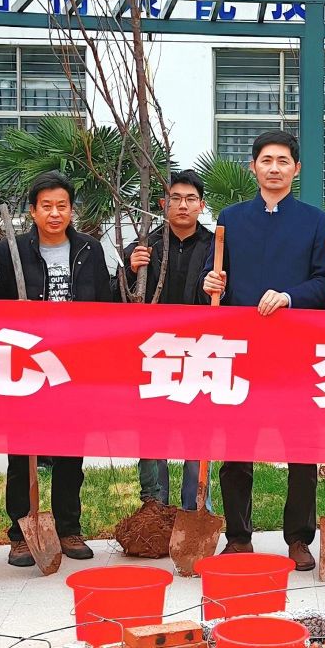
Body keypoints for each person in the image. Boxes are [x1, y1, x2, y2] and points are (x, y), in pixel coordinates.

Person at [201, 129, 325, 571]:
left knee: (301, 447)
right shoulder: (231, 218)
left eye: (283, 161)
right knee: (237, 446)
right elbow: (215, 275)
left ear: (297, 169)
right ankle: (238, 536)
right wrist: (211, 282)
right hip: (241, 351)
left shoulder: (315, 220)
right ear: (253, 167)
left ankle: (298, 537)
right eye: (266, 161)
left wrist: (290, 296)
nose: (274, 168)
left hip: (296, 350)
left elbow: (324, 282)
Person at [0, 172, 111, 567]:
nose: (54, 213)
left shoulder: (89, 250)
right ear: (32, 211)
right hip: (26, 363)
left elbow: (105, 304)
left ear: (71, 210)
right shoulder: (10, 251)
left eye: (62, 205)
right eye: (46, 206)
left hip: (74, 365)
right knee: (21, 452)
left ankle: (68, 527)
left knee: (70, 451)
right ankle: (21, 531)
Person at [125, 169, 215, 511]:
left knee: (198, 433)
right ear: (164, 204)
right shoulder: (144, 246)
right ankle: (154, 506)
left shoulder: (215, 246)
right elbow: (117, 298)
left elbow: (228, 299)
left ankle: (196, 506)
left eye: (191, 199)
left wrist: (217, 288)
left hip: (200, 353)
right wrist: (130, 270)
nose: (182, 205)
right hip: (153, 354)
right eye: (175, 198)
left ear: (201, 205)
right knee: (151, 433)